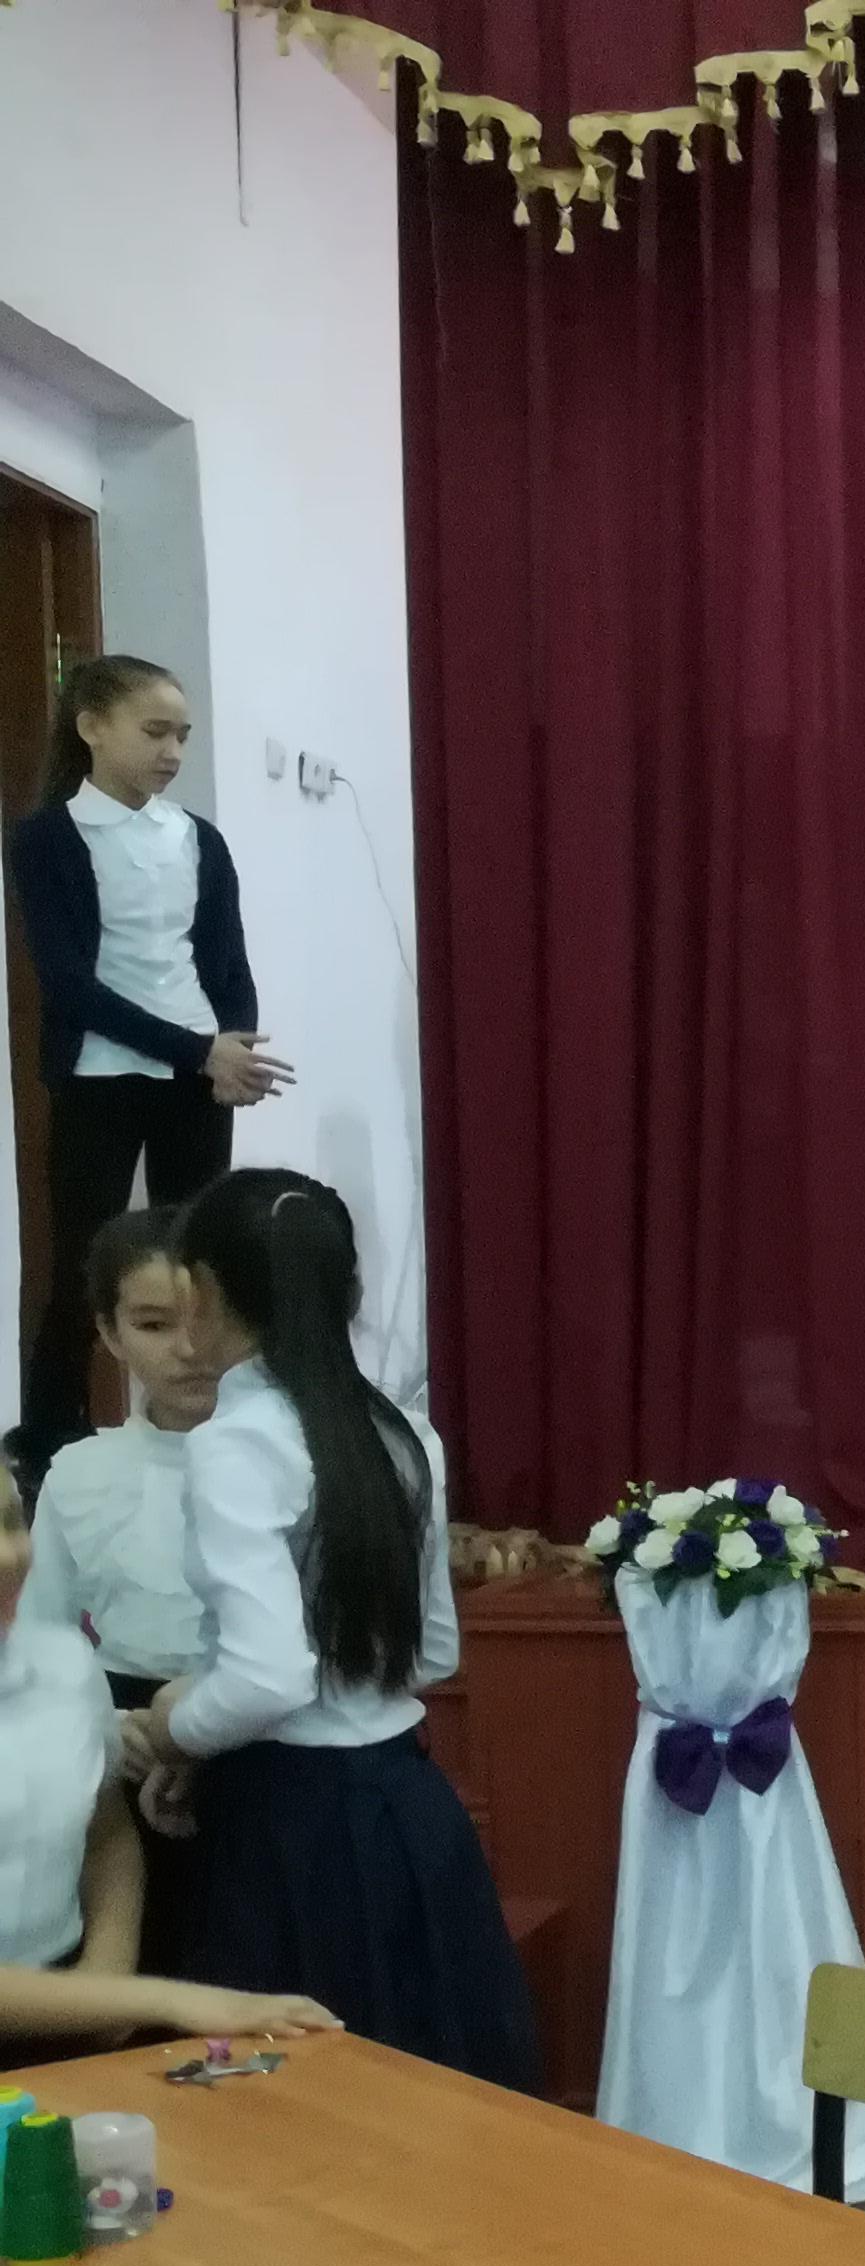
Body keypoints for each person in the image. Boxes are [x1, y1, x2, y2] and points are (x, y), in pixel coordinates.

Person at [119, 1170, 537, 2088]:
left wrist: (174, 1725)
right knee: (435, 2103)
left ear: (203, 1289)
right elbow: (432, 1651)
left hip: (289, 1832)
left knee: (307, 2119)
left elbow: (267, 1679)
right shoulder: (401, 1432)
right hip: (409, 1812)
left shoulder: (238, 1441)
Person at [0, 656, 292, 1481]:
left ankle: (203, 1421)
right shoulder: (45, 839)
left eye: (182, 737)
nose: (172, 752)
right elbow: (69, 985)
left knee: (200, 1254)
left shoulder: (198, 838)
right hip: (101, 1073)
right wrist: (199, 1049)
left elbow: (226, 962)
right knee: (83, 1258)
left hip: (198, 1076)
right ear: (93, 727)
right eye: (155, 732)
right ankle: (49, 1443)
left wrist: (233, 1051)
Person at [0, 1462, 332, 2055]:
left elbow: (105, 1835)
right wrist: (161, 2000)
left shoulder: (66, 1664)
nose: (8, 1556)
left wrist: (105, 1974)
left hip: (75, 2023)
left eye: (10, 1522)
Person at [28, 1210, 220, 1970]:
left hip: (273, 1743)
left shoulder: (301, 1460)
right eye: (153, 1324)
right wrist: (112, 1732)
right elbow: (38, 1647)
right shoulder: (80, 1473)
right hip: (126, 1746)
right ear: (110, 1335)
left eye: (208, 1316)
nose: (189, 1348)